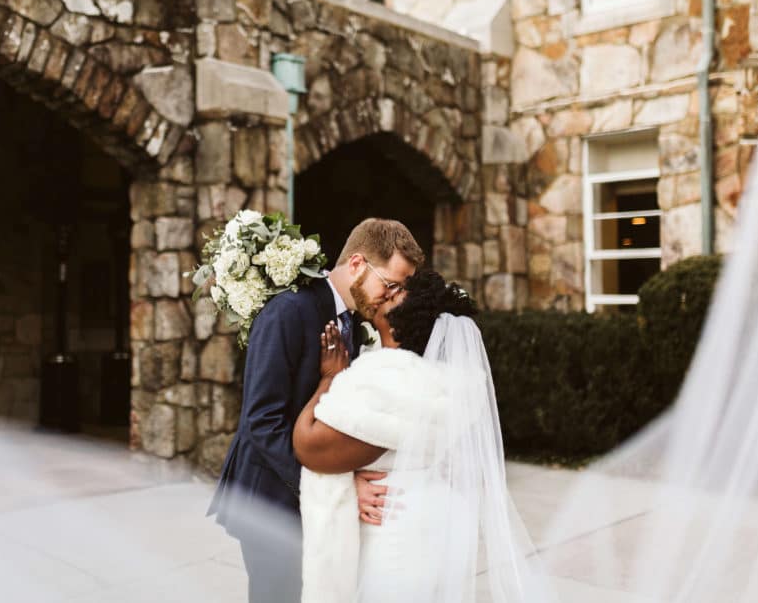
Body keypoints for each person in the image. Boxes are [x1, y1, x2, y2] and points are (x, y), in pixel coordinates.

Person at [294, 270, 556, 603]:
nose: (386, 293)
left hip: (393, 527)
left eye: (395, 295)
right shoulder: (452, 383)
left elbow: (309, 445)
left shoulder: (386, 377)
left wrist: (330, 378)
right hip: (435, 521)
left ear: (407, 323)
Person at [206, 218, 424, 603]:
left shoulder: (353, 322)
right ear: (357, 264)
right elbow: (261, 422)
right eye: (390, 285)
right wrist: (336, 486)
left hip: (310, 501)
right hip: (269, 499)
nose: (391, 298)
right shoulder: (289, 311)